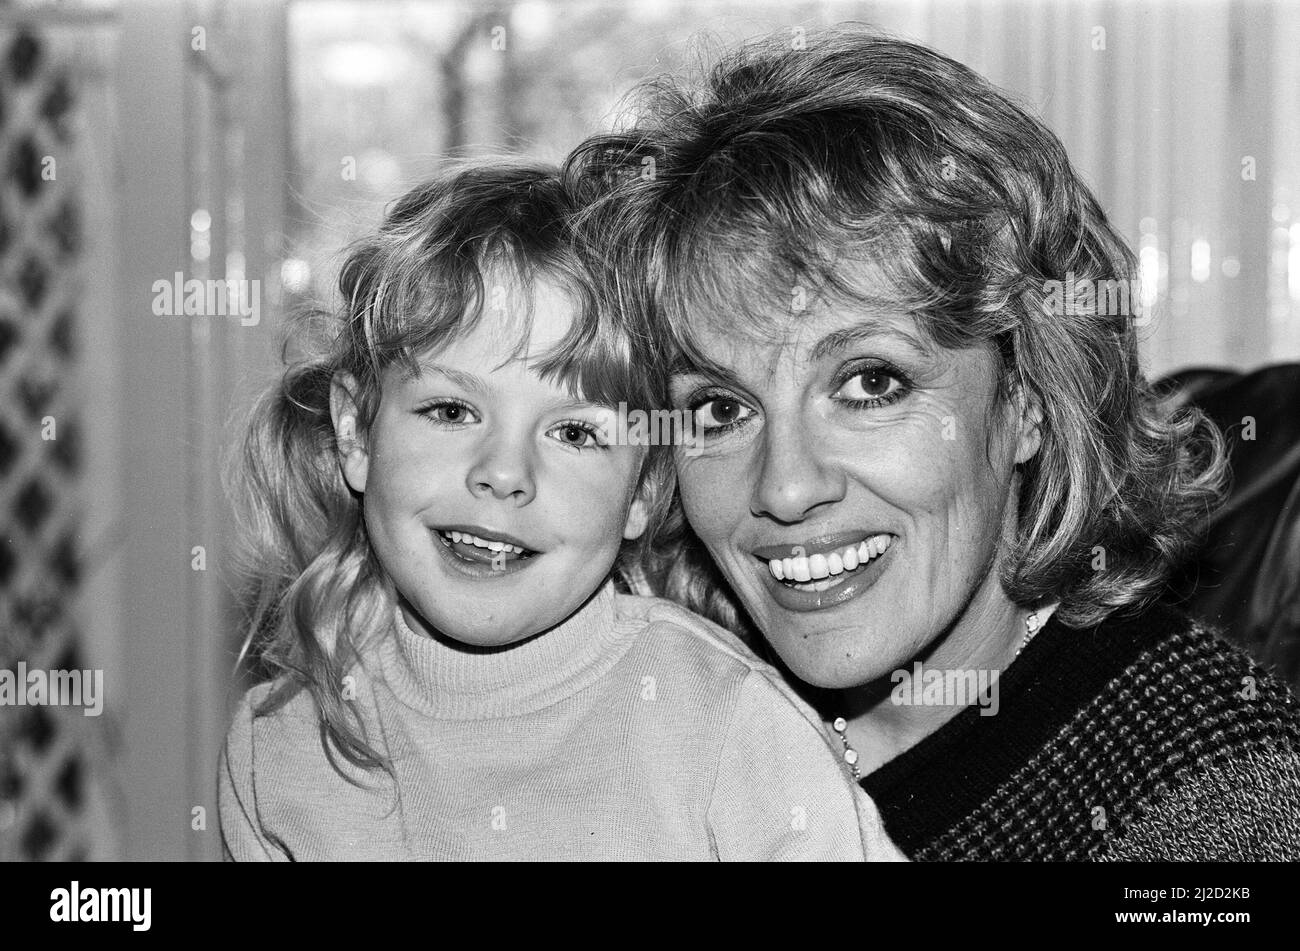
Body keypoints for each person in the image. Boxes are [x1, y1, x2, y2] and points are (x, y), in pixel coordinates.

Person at [569, 27, 1300, 860]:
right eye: (720, 410)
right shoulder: (662, 728)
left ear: (1028, 397)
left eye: (871, 383)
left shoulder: (1209, 796)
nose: (786, 487)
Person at [217, 162, 903, 861]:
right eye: (452, 410)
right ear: (357, 432)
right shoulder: (274, 747)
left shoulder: (729, 719)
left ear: (641, 489)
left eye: (575, 432)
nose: (505, 474)